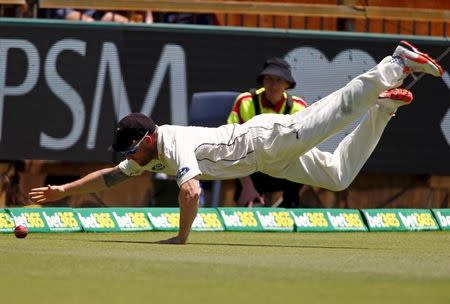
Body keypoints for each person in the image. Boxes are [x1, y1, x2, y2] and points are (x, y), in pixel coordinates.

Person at [28, 41, 443, 244]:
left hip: (265, 139)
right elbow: (109, 178)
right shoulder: (145, 155)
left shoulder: (170, 144)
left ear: (148, 137)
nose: (130, 157)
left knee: (335, 111)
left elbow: (191, 193)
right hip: (264, 160)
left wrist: (182, 238)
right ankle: (384, 108)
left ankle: (394, 64)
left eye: (132, 149)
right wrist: (64, 189)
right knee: (338, 176)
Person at [226, 57, 307, 208]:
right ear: (262, 81)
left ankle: (289, 204)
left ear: (287, 84)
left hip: (284, 171)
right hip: (250, 169)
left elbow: (304, 148)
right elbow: (232, 146)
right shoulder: (245, 102)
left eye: (279, 80)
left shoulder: (299, 107)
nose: (273, 85)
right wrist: (247, 187)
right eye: (269, 79)